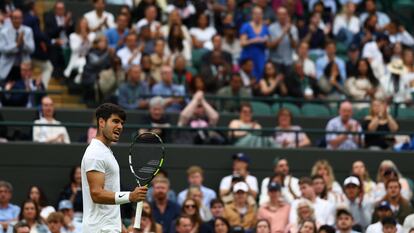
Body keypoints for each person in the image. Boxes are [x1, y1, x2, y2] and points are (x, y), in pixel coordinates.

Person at [80, 103, 148, 233]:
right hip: (100, 229)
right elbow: (96, 194)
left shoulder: (105, 152)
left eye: (122, 123)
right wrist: (130, 196)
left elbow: (108, 196)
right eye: (115, 121)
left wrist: (119, 225)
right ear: (101, 122)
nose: (120, 126)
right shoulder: (96, 153)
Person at [0, 9, 34, 81]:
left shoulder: (28, 31)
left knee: (23, 90)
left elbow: (32, 49)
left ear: (22, 19)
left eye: (19, 18)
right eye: (15, 18)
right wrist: (17, 44)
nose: (17, 20)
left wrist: (23, 43)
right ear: (11, 19)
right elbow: (2, 49)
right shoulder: (4, 32)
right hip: (7, 67)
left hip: (24, 67)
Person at [43, 1, 74, 79]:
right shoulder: (49, 18)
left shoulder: (68, 18)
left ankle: (68, 76)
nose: (61, 10)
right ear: (55, 9)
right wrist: (63, 24)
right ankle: (56, 74)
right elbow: (50, 33)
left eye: (62, 9)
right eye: (59, 9)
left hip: (67, 43)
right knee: (55, 49)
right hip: (54, 42)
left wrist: (69, 24)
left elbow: (72, 32)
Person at [239, 6, 269, 80]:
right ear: (252, 15)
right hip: (248, 56)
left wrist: (265, 41)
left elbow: (268, 44)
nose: (258, 16)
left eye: (260, 14)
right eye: (256, 14)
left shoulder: (265, 28)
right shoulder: (246, 26)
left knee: (259, 77)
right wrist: (254, 40)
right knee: (248, 77)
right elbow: (242, 43)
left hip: (260, 57)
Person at [267, 7, 298, 75]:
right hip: (275, 61)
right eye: (280, 14)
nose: (282, 16)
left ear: (287, 15)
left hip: (288, 61)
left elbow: (295, 46)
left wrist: (289, 34)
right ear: (277, 16)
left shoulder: (293, 29)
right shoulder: (271, 28)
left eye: (284, 14)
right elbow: (271, 45)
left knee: (289, 83)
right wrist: (283, 33)